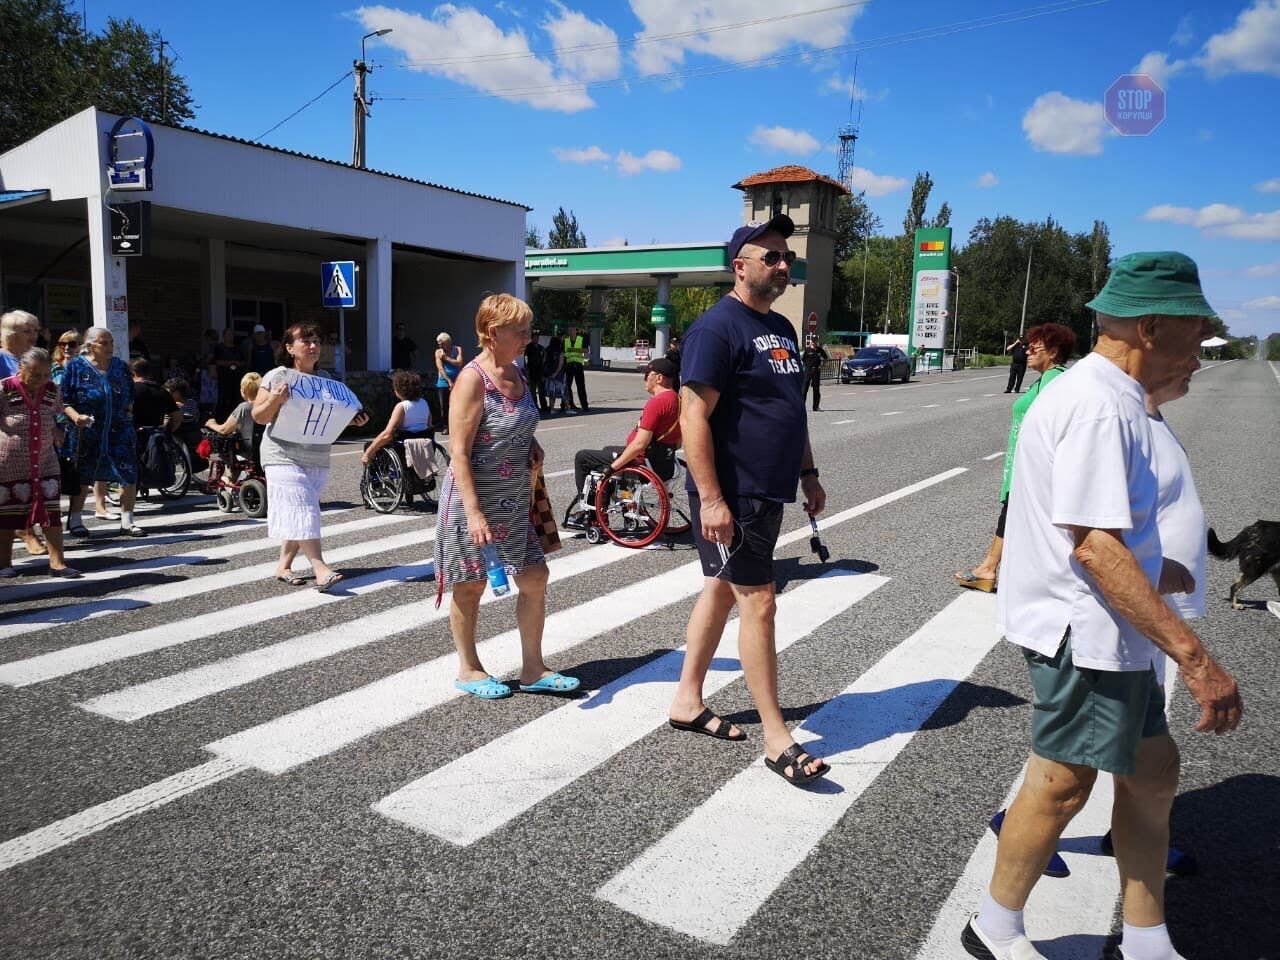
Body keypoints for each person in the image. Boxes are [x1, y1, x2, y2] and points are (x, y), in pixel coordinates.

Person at [964, 252, 1243, 960]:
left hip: (1114, 632)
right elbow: (1094, 546)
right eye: (1194, 332)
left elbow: (1115, 535)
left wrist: (1164, 573)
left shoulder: (1114, 398)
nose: (1201, 354)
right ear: (1149, 326)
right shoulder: (1094, 404)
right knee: (1061, 786)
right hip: (1085, 632)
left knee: (1153, 774)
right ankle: (994, 929)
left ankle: (1148, 939)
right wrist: (1195, 657)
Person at [669, 213, 829, 786]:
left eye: (788, 258)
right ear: (740, 266)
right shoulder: (716, 329)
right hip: (732, 495)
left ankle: (686, 700)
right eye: (772, 257)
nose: (784, 265)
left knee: (719, 590)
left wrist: (807, 473)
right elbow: (693, 417)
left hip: (769, 489)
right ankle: (776, 737)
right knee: (759, 603)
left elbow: (791, 409)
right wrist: (710, 499)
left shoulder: (782, 330)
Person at [435, 293, 576, 700]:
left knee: (535, 576)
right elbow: (459, 451)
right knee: (470, 585)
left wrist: (529, 443)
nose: (529, 338)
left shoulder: (517, 372)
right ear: (493, 334)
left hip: (514, 500)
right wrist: (475, 513)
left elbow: (514, 422)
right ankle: (470, 668)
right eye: (521, 332)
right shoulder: (471, 380)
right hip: (471, 501)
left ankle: (533, 669)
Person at [956, 322, 1076, 592]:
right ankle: (990, 568)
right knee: (1012, 516)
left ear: (1054, 351)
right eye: (1028, 344)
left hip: (1034, 469)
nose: (1028, 349)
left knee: (1019, 517)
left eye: (1036, 345)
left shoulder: (1055, 380)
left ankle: (990, 569)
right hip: (1024, 466)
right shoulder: (1045, 379)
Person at [253, 323, 368, 590]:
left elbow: (328, 418)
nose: (313, 345)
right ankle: (320, 567)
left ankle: (283, 566)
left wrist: (354, 421)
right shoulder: (277, 376)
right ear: (290, 348)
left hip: (316, 455)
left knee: (299, 511)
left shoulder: (325, 379)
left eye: (316, 341)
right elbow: (259, 416)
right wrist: (275, 401)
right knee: (304, 507)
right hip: (281, 453)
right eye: (306, 341)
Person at [566, 357, 681, 528]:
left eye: (646, 374)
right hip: (663, 463)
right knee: (607, 450)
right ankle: (619, 503)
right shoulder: (678, 401)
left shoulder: (657, 403)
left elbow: (639, 444)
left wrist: (612, 468)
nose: (644, 378)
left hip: (643, 461)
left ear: (659, 378)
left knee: (583, 458)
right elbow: (678, 442)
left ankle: (594, 514)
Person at [0, 348, 80, 578]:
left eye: (45, 375)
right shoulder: (4, 389)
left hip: (46, 462)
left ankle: (58, 564)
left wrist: (56, 429)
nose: (41, 380)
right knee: (8, 516)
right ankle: (4, 563)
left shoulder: (53, 391)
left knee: (52, 513)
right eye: (35, 375)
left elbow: (55, 414)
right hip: (9, 465)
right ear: (20, 369)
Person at [59, 327, 146, 537]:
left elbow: (131, 394)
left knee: (128, 473)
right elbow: (64, 400)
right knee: (82, 474)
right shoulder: (76, 367)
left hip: (119, 429)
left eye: (111, 342)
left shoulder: (121, 367)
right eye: (103, 343)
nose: (109, 347)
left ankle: (128, 521)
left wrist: (128, 411)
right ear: (90, 345)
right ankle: (76, 519)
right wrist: (75, 417)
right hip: (86, 431)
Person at [1, 311, 49, 556]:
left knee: (31, 488)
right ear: (10, 335)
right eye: (27, 331)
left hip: (35, 437)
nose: (34, 336)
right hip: (7, 438)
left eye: (36, 330)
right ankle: (26, 532)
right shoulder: (2, 359)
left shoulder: (34, 359)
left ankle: (26, 530)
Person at [362, 370, 432, 467]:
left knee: (369, 445)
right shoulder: (424, 403)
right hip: (423, 444)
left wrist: (368, 453)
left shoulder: (402, 406)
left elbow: (387, 434)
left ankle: (377, 479)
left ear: (399, 391)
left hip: (404, 447)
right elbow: (429, 425)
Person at [434, 332, 463, 434]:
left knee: (457, 405)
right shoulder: (438, 352)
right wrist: (449, 381)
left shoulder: (457, 349)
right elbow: (440, 368)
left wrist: (446, 358)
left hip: (457, 381)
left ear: (448, 342)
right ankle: (446, 426)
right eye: (439, 343)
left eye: (442, 343)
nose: (440, 345)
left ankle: (457, 426)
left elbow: (459, 363)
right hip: (443, 382)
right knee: (444, 406)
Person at [215, 328, 243, 420]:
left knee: (235, 400)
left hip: (236, 378)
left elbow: (243, 362)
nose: (231, 337)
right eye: (228, 335)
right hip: (224, 378)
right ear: (224, 336)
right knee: (223, 400)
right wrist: (229, 363)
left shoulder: (238, 348)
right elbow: (216, 362)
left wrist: (238, 364)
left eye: (232, 334)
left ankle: (234, 420)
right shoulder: (219, 348)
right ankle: (221, 420)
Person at [563, 323, 589, 412]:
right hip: (569, 365)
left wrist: (574, 350)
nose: (571, 332)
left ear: (576, 330)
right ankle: (568, 404)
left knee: (581, 386)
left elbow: (586, 350)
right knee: (567, 386)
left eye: (572, 330)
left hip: (578, 365)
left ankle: (585, 406)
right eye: (569, 330)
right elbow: (563, 353)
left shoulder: (580, 339)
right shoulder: (565, 340)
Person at [801, 335, 829, 412]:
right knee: (804, 389)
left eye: (815, 340)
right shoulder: (807, 350)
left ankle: (816, 407)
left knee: (816, 390)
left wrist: (821, 366)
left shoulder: (820, 350)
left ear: (817, 340)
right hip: (808, 371)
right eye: (812, 340)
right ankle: (802, 407)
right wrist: (805, 368)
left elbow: (826, 358)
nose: (814, 342)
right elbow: (802, 360)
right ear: (811, 341)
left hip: (816, 371)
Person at [543, 332, 567, 415]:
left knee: (551, 392)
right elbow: (560, 365)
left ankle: (552, 408)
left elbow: (544, 362)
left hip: (549, 374)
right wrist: (556, 373)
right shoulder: (560, 351)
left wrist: (547, 373)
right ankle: (567, 408)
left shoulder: (547, 350)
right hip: (559, 375)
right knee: (563, 391)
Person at [524, 332, 547, 413]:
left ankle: (544, 406)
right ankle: (535, 406)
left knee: (541, 391)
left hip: (539, 372)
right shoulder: (528, 347)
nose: (536, 339)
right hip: (531, 371)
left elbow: (545, 356)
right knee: (533, 391)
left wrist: (543, 362)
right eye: (534, 337)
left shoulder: (541, 348)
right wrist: (526, 368)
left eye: (537, 338)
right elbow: (524, 357)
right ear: (532, 338)